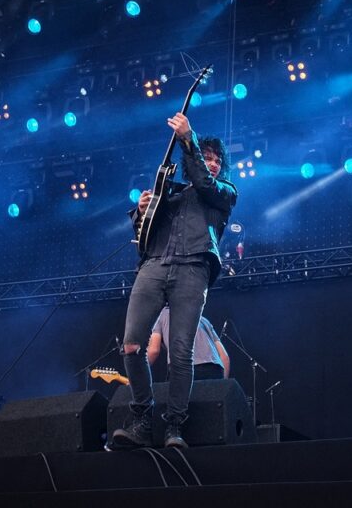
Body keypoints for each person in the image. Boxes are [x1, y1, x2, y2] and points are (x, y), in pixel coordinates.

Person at [110, 112, 237, 450]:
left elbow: (204, 182)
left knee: (180, 353)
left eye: (215, 160)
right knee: (132, 345)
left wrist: (189, 139)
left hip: (193, 269)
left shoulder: (223, 192)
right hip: (154, 265)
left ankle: (174, 426)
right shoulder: (172, 192)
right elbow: (143, 235)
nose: (210, 163)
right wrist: (142, 210)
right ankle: (141, 419)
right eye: (205, 157)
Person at [148, 307, 230, 381]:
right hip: (214, 370)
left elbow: (153, 350)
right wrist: (223, 387)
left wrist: (137, 372)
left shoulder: (160, 315)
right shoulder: (203, 320)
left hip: (182, 368)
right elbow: (224, 357)